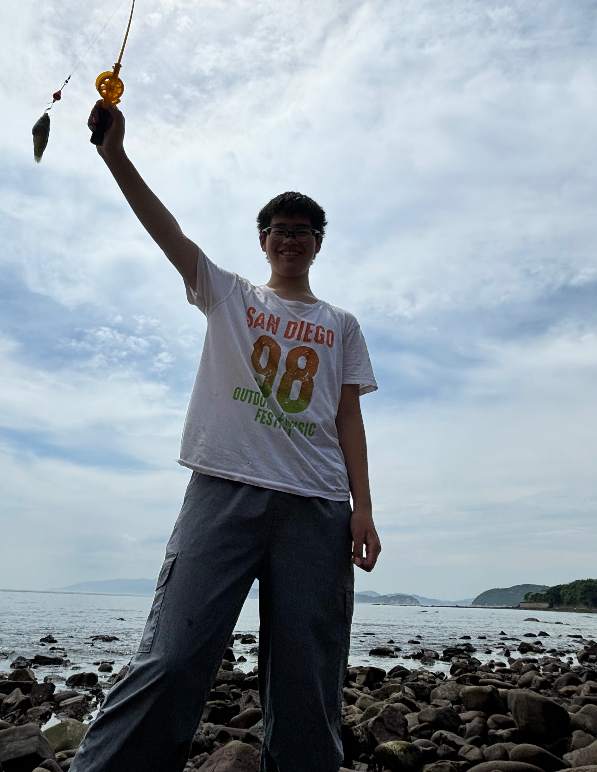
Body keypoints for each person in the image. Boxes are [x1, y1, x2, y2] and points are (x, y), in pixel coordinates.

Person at [70, 100, 381, 772]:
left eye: (301, 229)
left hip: (317, 506)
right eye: (276, 227)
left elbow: (348, 417)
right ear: (262, 239)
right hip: (224, 490)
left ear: (318, 241)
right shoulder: (232, 295)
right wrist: (115, 155)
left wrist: (364, 508)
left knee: (308, 674)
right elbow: (167, 232)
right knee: (174, 655)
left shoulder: (341, 324)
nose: (288, 237)